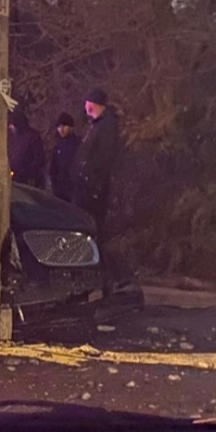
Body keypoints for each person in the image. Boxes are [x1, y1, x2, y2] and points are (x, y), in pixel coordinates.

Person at [71, 88, 122, 294]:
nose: (86, 109)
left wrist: (91, 180)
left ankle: (105, 278)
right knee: (89, 231)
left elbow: (104, 158)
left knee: (95, 231)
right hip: (87, 186)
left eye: (88, 105)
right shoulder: (98, 125)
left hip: (93, 189)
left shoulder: (106, 127)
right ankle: (94, 276)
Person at [7, 109, 46, 188]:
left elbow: (40, 159)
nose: (10, 127)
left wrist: (25, 171)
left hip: (29, 180)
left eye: (12, 124)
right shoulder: (16, 137)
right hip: (16, 178)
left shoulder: (33, 137)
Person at [49, 112, 80, 201]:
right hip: (59, 188)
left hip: (72, 189)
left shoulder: (77, 144)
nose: (61, 129)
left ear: (71, 127)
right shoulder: (58, 144)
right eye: (59, 127)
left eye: (64, 126)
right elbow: (53, 165)